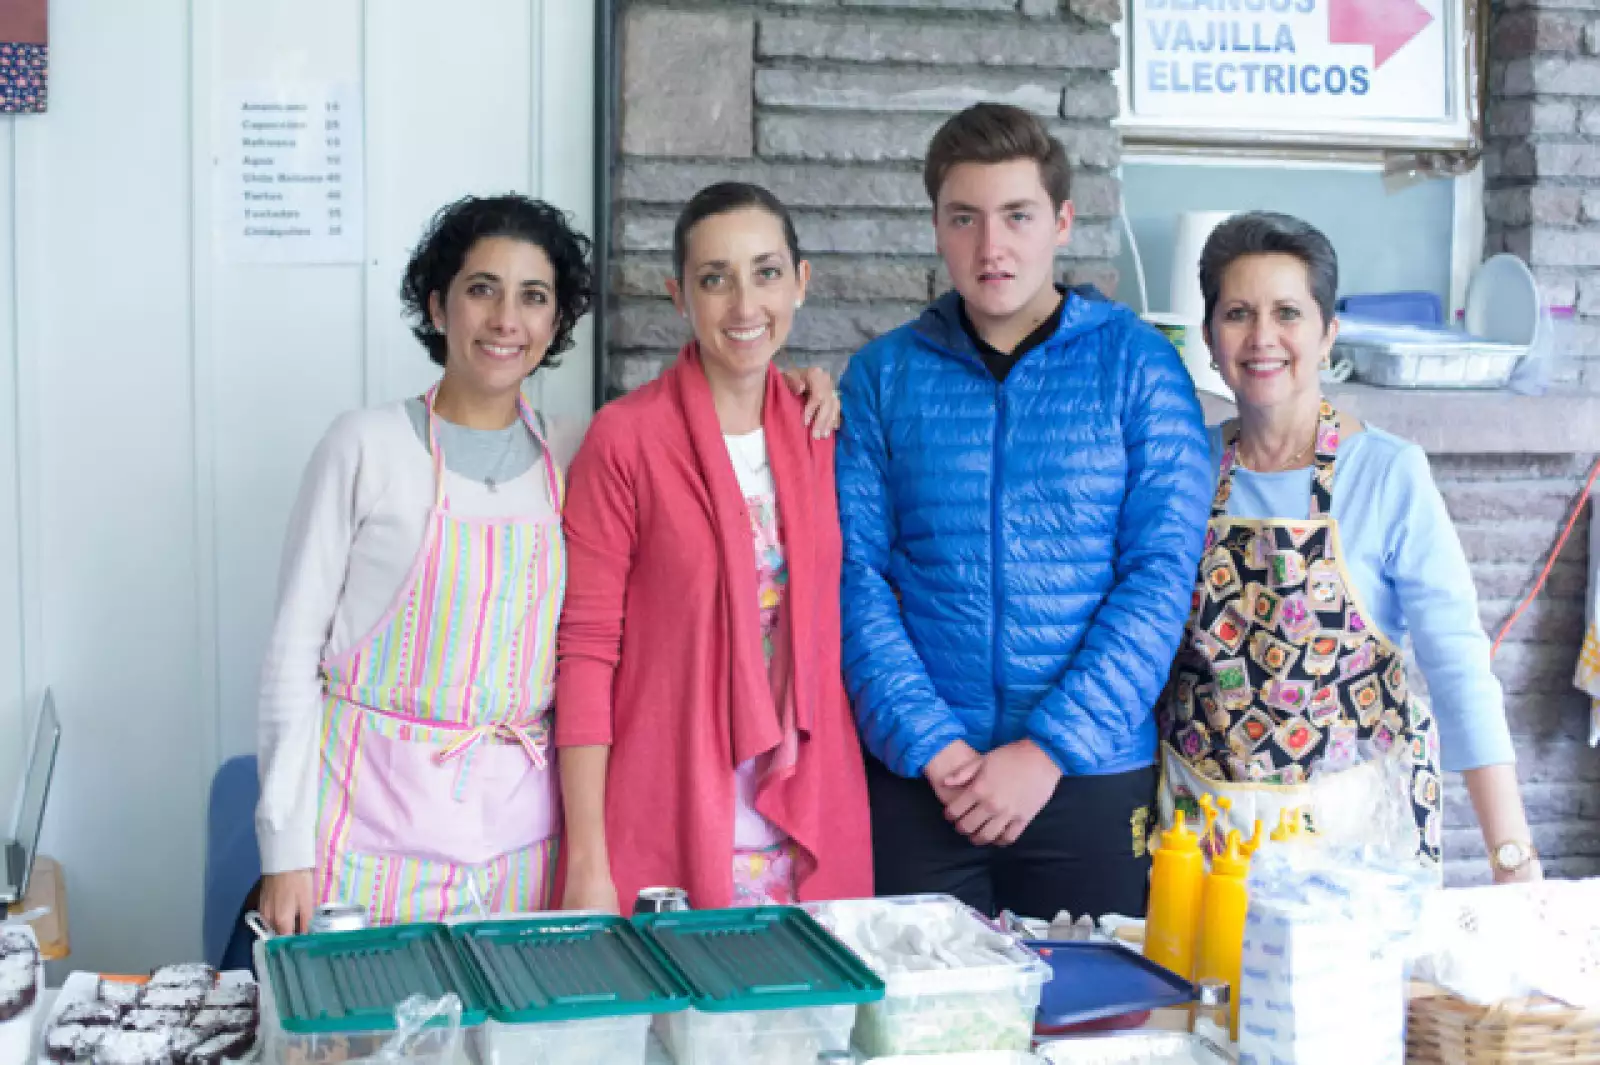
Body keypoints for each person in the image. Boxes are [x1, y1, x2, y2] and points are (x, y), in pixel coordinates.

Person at [836, 103, 1213, 921]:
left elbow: (1159, 576)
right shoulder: (881, 377)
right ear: (936, 225)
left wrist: (1046, 749)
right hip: (923, 779)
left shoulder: (1139, 367)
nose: (990, 246)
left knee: (1096, 1033)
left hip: (1087, 775)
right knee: (922, 1038)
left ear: (1062, 222)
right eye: (963, 218)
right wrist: (930, 743)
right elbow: (854, 576)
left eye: (1017, 216)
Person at [1158, 210, 1540, 882]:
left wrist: (1511, 855)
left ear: (1328, 333)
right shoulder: (1186, 470)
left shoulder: (1388, 473)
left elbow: (1458, 666)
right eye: (1238, 313)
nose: (1263, 337)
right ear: (1212, 341)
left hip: (1354, 848)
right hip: (1205, 838)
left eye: (1288, 313)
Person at [253, 194, 592, 932]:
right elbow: (289, 660)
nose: (507, 318)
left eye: (533, 297)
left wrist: (797, 390)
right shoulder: (364, 446)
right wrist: (284, 851)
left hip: (522, 849)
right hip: (366, 842)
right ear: (439, 307)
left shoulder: (578, 453)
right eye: (482, 289)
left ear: (556, 322)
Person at [557, 182, 873, 913]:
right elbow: (586, 652)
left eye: (765, 273)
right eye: (714, 278)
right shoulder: (625, 440)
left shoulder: (821, 429)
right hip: (668, 801)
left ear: (801, 282)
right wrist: (587, 859)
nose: (743, 305)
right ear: (680, 295)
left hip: (803, 806)